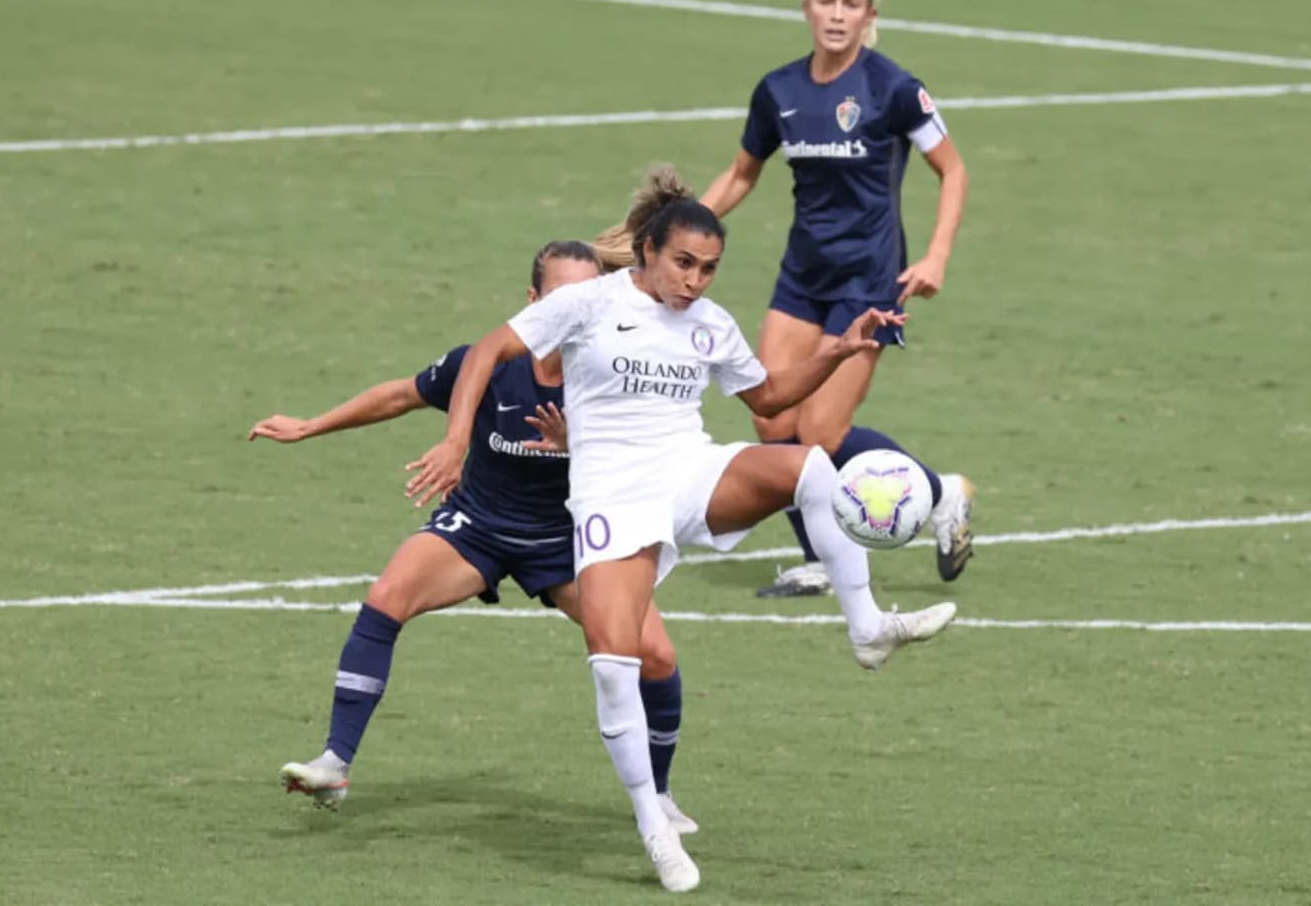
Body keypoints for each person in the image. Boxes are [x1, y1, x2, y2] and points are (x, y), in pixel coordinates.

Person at [406, 169, 958, 893]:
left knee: (812, 468)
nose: (696, 281)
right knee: (614, 663)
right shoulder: (587, 303)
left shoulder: (710, 323)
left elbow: (768, 398)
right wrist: (453, 441)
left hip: (688, 471)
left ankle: (866, 628)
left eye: (709, 268)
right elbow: (483, 355)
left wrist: (840, 348)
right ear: (647, 251)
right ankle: (654, 827)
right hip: (611, 494)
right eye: (684, 264)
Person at [248, 240, 697, 834]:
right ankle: (335, 762)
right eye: (560, 299)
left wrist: (578, 447)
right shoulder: (489, 363)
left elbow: (655, 468)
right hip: (480, 526)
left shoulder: (621, 376)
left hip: (570, 543)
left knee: (656, 656)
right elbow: (403, 394)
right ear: (533, 302)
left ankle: (659, 796)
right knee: (387, 598)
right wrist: (312, 425)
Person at [696, 0, 975, 596]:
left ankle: (941, 494)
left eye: (852, 5)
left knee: (820, 433)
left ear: (869, 16)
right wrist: (675, 230)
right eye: (828, 2)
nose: (838, 15)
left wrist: (935, 256)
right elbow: (742, 174)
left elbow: (953, 171)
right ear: (808, 8)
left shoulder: (894, 89)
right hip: (801, 278)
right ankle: (822, 559)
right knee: (771, 420)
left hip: (868, 282)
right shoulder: (779, 92)